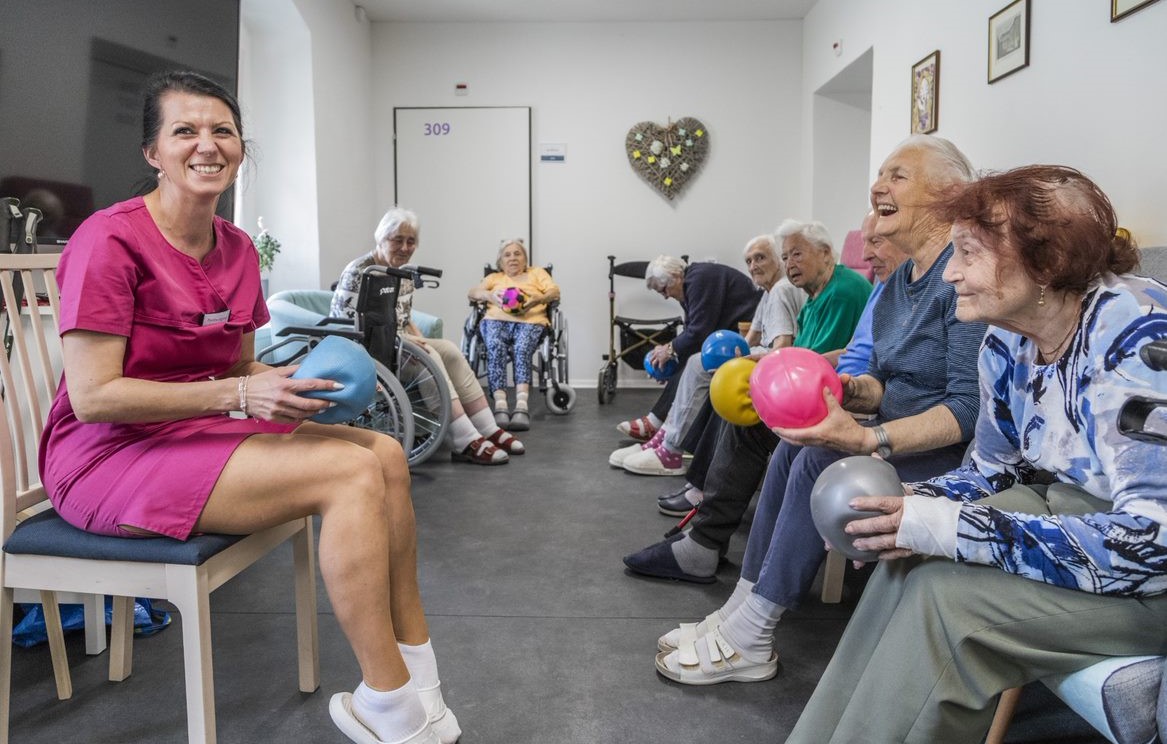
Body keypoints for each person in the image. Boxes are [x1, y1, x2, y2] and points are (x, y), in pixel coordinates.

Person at [38, 71, 459, 744]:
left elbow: (236, 366)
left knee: (381, 453)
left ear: (240, 147)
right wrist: (240, 394)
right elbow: (94, 399)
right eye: (185, 131)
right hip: (107, 458)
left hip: (195, 434)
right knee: (345, 475)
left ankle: (421, 682)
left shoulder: (234, 248)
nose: (206, 145)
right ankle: (389, 703)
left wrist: (287, 382)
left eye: (222, 131)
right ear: (153, 153)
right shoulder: (107, 240)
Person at [788, 165, 1167, 743]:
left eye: (967, 252)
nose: (952, 273)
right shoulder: (1006, 339)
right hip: (1078, 514)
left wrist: (954, 530)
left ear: (1044, 261)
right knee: (906, 560)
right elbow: (990, 472)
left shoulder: (1138, 337)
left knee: (947, 600)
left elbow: (1152, 542)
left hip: (1149, 569)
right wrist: (904, 507)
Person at [645, 136, 986, 688]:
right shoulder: (902, 281)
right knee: (791, 446)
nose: (878, 187)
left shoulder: (960, 277)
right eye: (880, 175)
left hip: (948, 454)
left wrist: (871, 441)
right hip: (899, 431)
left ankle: (754, 632)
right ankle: (742, 607)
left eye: (897, 176)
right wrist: (850, 391)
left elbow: (968, 408)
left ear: (949, 195)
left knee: (819, 460)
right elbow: (887, 382)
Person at [623, 218, 872, 574]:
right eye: (786, 257)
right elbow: (805, 352)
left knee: (744, 405)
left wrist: (766, 363)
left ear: (826, 253)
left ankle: (704, 532)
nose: (789, 265)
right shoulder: (817, 295)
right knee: (730, 382)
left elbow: (818, 360)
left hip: (828, 397)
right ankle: (700, 496)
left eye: (796, 255)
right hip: (812, 386)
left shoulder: (843, 290)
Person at [333, 209, 522, 465]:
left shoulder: (403, 273)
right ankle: (463, 439)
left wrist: (417, 340)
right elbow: (345, 325)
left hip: (395, 342)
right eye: (397, 239)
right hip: (363, 351)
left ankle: (488, 428)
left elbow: (403, 316)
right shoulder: (360, 271)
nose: (405, 247)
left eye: (411, 241)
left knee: (448, 350)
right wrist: (413, 349)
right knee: (429, 356)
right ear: (381, 238)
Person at [612, 234, 805, 476]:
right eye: (749, 261)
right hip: (737, 343)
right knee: (692, 361)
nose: (753, 267)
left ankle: (669, 449)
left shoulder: (778, 290)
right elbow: (750, 337)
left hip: (764, 356)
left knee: (695, 362)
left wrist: (736, 361)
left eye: (760, 258)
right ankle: (663, 437)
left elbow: (781, 346)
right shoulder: (768, 292)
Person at [615, 255, 762, 442]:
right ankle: (661, 423)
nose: (666, 296)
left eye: (664, 290)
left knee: (692, 362)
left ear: (676, 276)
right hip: (731, 333)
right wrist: (671, 359)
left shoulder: (700, 279)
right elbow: (692, 331)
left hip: (747, 335)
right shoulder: (692, 282)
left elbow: (698, 332)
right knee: (686, 361)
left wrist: (668, 349)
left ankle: (656, 423)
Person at [466, 238, 559, 432]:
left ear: (525, 259)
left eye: (518, 253)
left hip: (530, 321)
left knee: (522, 348)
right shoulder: (494, 278)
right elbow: (473, 292)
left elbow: (554, 291)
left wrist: (539, 299)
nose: (513, 258)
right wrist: (489, 296)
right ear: (500, 262)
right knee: (494, 345)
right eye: (507, 255)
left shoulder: (537, 274)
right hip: (495, 320)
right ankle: (500, 405)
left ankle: (521, 406)